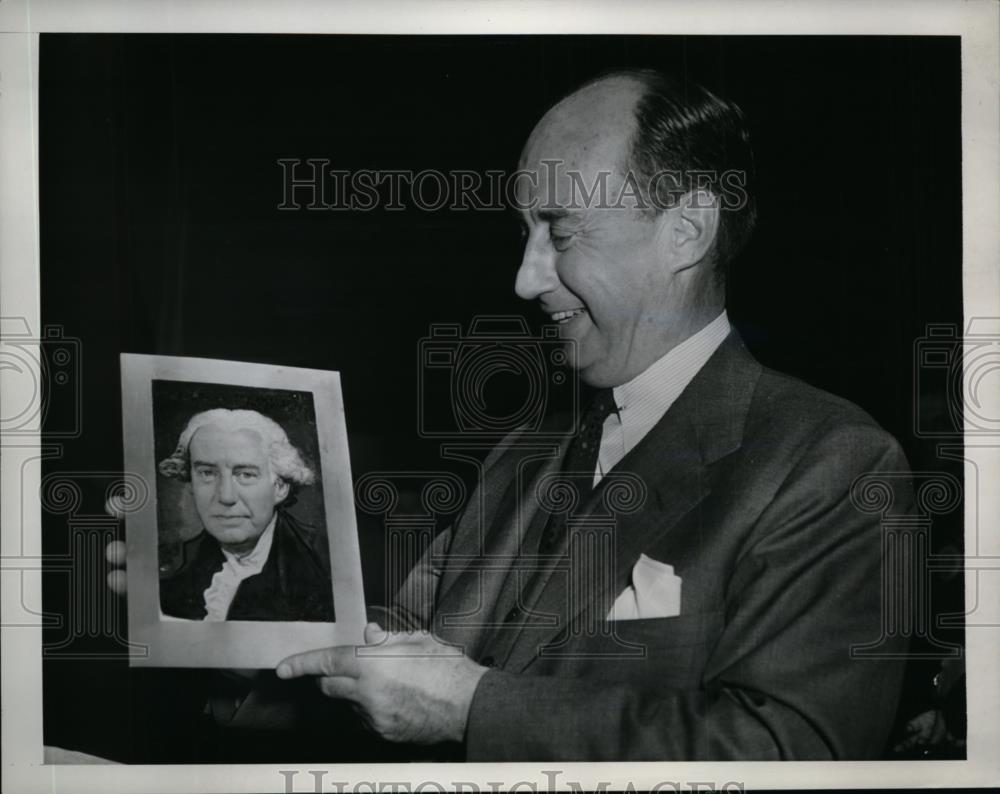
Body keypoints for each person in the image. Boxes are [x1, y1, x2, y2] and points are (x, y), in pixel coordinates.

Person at [110, 68, 913, 761]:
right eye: (525, 233)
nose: (526, 279)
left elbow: (790, 754)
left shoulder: (830, 463)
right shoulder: (525, 456)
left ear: (687, 232)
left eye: (560, 232)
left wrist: (474, 708)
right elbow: (392, 653)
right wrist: (224, 625)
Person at [156, 408, 334, 622]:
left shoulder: (325, 560)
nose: (226, 496)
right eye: (207, 473)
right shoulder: (170, 566)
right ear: (191, 483)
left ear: (279, 487)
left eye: (246, 475)